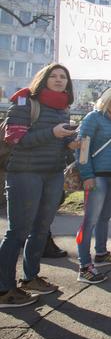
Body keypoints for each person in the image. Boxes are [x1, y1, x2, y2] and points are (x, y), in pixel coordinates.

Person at [0, 64, 77, 308]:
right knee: (18, 231)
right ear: (42, 79)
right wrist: (53, 133)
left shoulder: (63, 107)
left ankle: (30, 278)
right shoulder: (24, 102)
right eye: (53, 76)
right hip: (25, 174)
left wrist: (70, 144)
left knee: (41, 229)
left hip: (52, 174)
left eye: (63, 76)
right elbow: (14, 139)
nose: (58, 80)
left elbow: (57, 141)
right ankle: (3, 289)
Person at [75, 88, 111, 284]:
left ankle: (101, 253)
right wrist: (87, 175)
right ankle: (84, 266)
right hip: (97, 176)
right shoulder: (93, 118)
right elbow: (82, 149)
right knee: (90, 221)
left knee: (105, 217)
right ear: (105, 103)